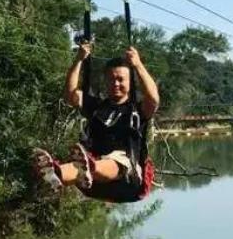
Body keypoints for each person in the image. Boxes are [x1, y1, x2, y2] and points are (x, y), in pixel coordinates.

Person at [32, 43, 160, 195]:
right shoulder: (97, 107)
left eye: (120, 79)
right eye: (111, 79)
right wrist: (78, 60)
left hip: (127, 179)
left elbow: (153, 99)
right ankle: (56, 175)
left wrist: (138, 65)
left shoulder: (137, 110)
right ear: (105, 81)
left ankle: (89, 168)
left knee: (116, 159)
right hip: (94, 183)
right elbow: (70, 95)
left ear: (130, 83)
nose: (116, 84)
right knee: (76, 165)